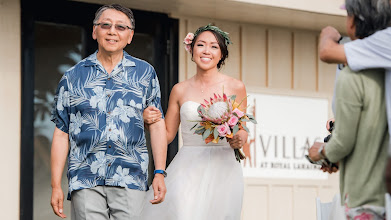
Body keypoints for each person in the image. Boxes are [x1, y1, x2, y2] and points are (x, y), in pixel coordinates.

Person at [49, 4, 167, 219]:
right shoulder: (72, 77)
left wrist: (159, 172)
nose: (113, 31)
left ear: (130, 36)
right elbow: (61, 132)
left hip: (130, 177)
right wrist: (55, 185)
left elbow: (157, 123)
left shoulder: (145, 73)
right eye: (106, 25)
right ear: (95, 31)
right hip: (85, 178)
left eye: (121, 27)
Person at [140, 24, 247, 219]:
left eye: (214, 46)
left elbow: (242, 129)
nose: (207, 51)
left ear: (222, 53)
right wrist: (149, 121)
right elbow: (168, 134)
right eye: (201, 45)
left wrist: (240, 138)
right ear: (192, 50)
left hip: (224, 168)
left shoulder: (236, 86)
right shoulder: (179, 89)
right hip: (187, 166)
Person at [308, 0, 391, 219]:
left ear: (354, 21)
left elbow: (344, 141)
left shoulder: (353, 72)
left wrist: (321, 153)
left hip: (367, 189)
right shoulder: (382, 68)